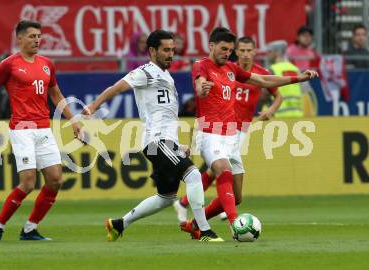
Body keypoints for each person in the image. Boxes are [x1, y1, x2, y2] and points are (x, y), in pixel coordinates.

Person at [82, 29, 223, 242]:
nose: (170, 54)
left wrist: (177, 145)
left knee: (166, 198)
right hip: (156, 141)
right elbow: (116, 88)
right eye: (165, 50)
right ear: (152, 51)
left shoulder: (167, 76)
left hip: (166, 141)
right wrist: (93, 106)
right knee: (193, 175)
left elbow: (165, 115)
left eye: (173, 50)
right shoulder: (144, 72)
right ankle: (203, 230)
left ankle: (120, 224)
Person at [177, 27, 317, 239]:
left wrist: (298, 79)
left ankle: (196, 224)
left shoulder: (232, 68)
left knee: (236, 195)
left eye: (229, 50)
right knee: (222, 169)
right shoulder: (201, 65)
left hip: (231, 136)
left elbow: (263, 81)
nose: (227, 53)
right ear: (211, 46)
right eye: (224, 49)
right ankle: (236, 225)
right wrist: (201, 89)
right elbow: (198, 84)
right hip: (209, 132)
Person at [0, 20, 82, 241]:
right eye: (32, 36)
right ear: (20, 39)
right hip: (22, 129)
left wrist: (73, 120)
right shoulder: (8, 64)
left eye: (39, 35)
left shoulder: (47, 64)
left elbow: (56, 95)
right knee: (28, 182)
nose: (37, 39)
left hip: (44, 128)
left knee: (55, 179)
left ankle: (29, 229)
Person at [173, 36, 282, 224]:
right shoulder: (227, 70)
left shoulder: (258, 72)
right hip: (219, 127)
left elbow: (277, 95)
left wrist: (270, 110)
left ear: (255, 52)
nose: (246, 54)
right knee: (220, 170)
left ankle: (187, 204)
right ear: (236, 52)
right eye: (242, 50)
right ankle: (218, 209)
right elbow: (202, 85)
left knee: (215, 170)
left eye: (250, 50)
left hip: (242, 128)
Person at [267, 40, 306, 118]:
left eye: (270, 52)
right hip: (297, 115)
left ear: (277, 52)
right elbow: (304, 91)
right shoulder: (296, 69)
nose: (268, 55)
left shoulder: (272, 70)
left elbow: (264, 95)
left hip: (279, 115)